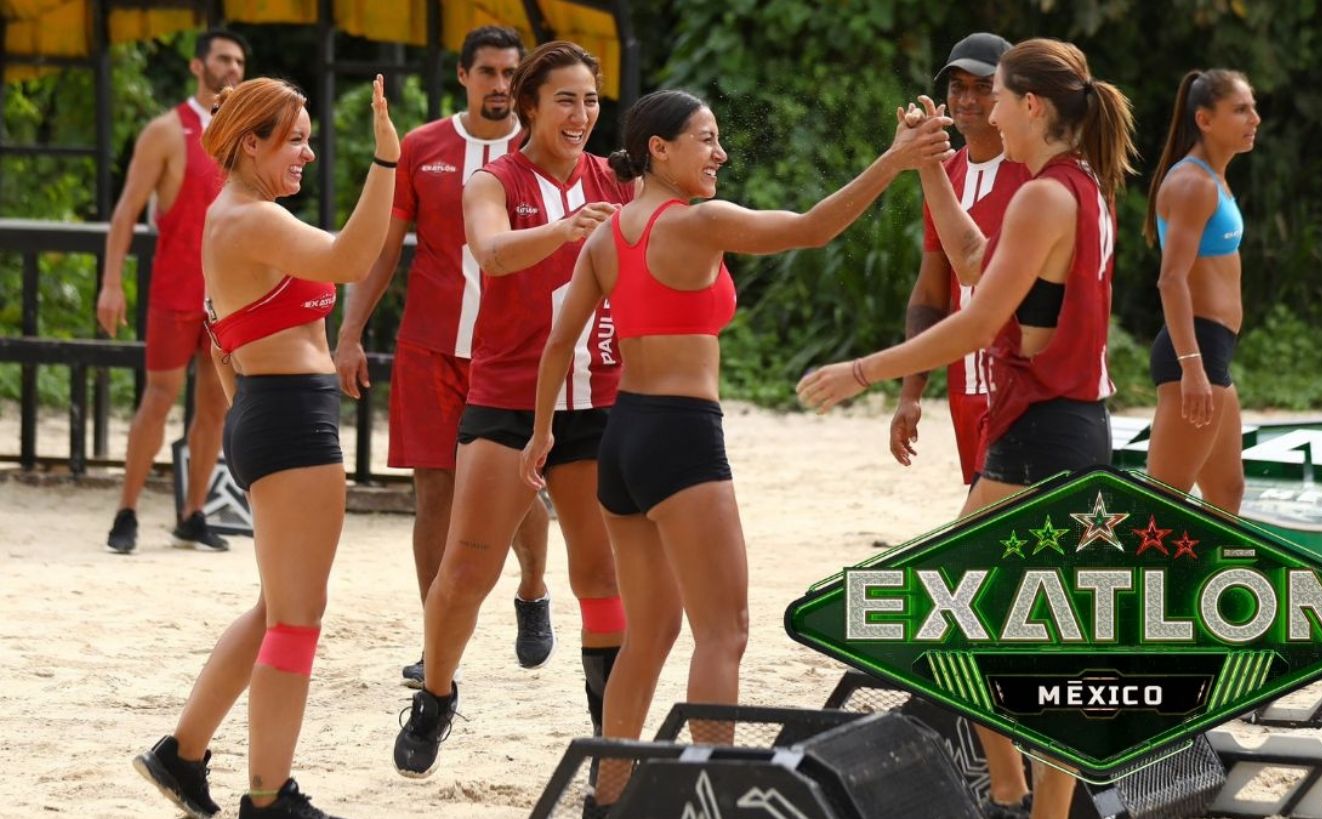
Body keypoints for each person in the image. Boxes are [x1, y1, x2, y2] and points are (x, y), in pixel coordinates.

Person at [520, 89, 954, 812]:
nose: (720, 153)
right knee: (724, 632)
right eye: (706, 139)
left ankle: (609, 798)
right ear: (659, 149)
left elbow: (559, 342)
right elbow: (812, 229)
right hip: (681, 436)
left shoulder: (607, 234)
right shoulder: (699, 221)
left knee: (648, 634)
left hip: (623, 439)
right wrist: (895, 160)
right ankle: (707, 799)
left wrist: (542, 432)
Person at [798, 38, 1137, 819]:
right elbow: (975, 259)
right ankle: (1020, 797)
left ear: (1032, 106)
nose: (988, 113)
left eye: (1000, 97)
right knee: (1035, 633)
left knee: (962, 614)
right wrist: (929, 169)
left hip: (1042, 431)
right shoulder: (1079, 183)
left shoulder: (1043, 195)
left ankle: (1019, 797)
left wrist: (864, 371)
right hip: (1068, 425)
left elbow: (978, 319)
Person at [131, 75, 398, 819]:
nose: (308, 154)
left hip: (271, 410)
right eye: (296, 141)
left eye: (309, 140)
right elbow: (352, 258)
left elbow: (221, 337)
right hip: (289, 419)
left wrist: (250, 407)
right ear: (251, 143)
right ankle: (269, 796)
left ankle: (181, 753)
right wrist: (386, 162)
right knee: (297, 618)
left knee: (276, 607)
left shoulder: (237, 216)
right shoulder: (248, 218)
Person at [392, 41, 633, 780]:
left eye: (591, 99)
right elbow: (492, 252)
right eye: (566, 99)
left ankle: (610, 739)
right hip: (506, 395)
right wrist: (564, 231)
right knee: (468, 568)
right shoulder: (493, 179)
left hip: (595, 395)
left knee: (601, 575)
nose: (582, 113)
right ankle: (436, 693)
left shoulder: (617, 176)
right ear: (529, 106)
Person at [333, 25, 555, 687]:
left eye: (510, 73)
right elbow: (381, 248)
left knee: (521, 483)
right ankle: (436, 643)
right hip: (431, 346)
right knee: (432, 490)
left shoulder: (542, 149)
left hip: (513, 350)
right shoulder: (422, 147)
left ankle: (534, 589)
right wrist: (349, 333)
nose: (500, 85)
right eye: (488, 71)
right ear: (463, 76)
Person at [891, 32, 1036, 819]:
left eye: (984, 86)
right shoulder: (944, 173)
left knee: (981, 578)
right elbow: (932, 284)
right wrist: (910, 390)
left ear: (1011, 95)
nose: (970, 99)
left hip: (1023, 396)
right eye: (959, 87)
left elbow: (988, 276)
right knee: (999, 578)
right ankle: (1012, 768)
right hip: (966, 395)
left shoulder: (1033, 172)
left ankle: (1015, 779)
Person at [99, 29, 247, 554]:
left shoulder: (245, 134)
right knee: (158, 398)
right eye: (223, 59)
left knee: (215, 406)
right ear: (198, 66)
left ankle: (193, 513)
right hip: (175, 288)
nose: (233, 68)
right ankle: (127, 511)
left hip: (227, 294)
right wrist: (111, 284)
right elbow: (126, 211)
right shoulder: (166, 131)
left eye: (239, 61)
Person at [1143, 69, 1259, 513]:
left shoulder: (1214, 179)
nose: (1254, 119)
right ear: (1205, 120)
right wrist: (1192, 367)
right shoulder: (1193, 184)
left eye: (1253, 108)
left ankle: (1214, 564)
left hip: (1213, 350)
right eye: (1241, 110)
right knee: (1162, 506)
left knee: (1227, 492)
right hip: (1194, 350)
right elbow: (1171, 279)